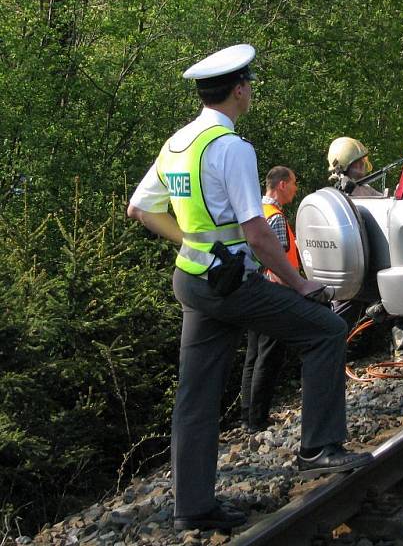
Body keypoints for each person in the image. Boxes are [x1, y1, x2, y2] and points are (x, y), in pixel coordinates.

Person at [127, 44, 371, 532]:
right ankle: (319, 448)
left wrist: (196, 241)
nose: (251, 91)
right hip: (231, 283)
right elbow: (258, 232)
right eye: (250, 84)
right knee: (324, 330)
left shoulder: (178, 143)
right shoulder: (231, 148)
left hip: (192, 281)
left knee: (195, 395)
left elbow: (139, 208)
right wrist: (301, 283)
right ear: (239, 89)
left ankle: (192, 507)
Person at [239, 166, 299, 433]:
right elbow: (275, 258)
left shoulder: (255, 211)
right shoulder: (273, 216)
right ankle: (258, 419)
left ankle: (247, 416)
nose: (296, 189)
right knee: (268, 355)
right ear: (282, 184)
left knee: (253, 355)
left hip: (253, 291)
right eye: (294, 183)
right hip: (274, 293)